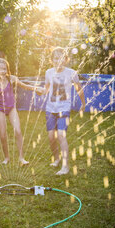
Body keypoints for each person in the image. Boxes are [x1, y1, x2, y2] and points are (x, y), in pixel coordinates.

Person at [0, 58, 42, 165]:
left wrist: (36, 88)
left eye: (4, 69)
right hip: (0, 110)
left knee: (18, 131)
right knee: (3, 135)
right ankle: (6, 158)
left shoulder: (12, 79)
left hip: (11, 108)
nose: (2, 71)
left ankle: (21, 158)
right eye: (0, 69)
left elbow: (25, 86)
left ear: (7, 69)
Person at [42, 47, 85, 175]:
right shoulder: (48, 72)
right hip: (50, 109)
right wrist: (39, 91)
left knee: (60, 135)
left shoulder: (71, 73)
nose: (58, 61)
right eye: (55, 58)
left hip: (64, 108)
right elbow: (46, 89)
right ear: (52, 60)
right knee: (51, 137)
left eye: (61, 58)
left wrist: (83, 103)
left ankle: (65, 166)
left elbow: (79, 89)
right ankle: (56, 159)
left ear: (66, 60)